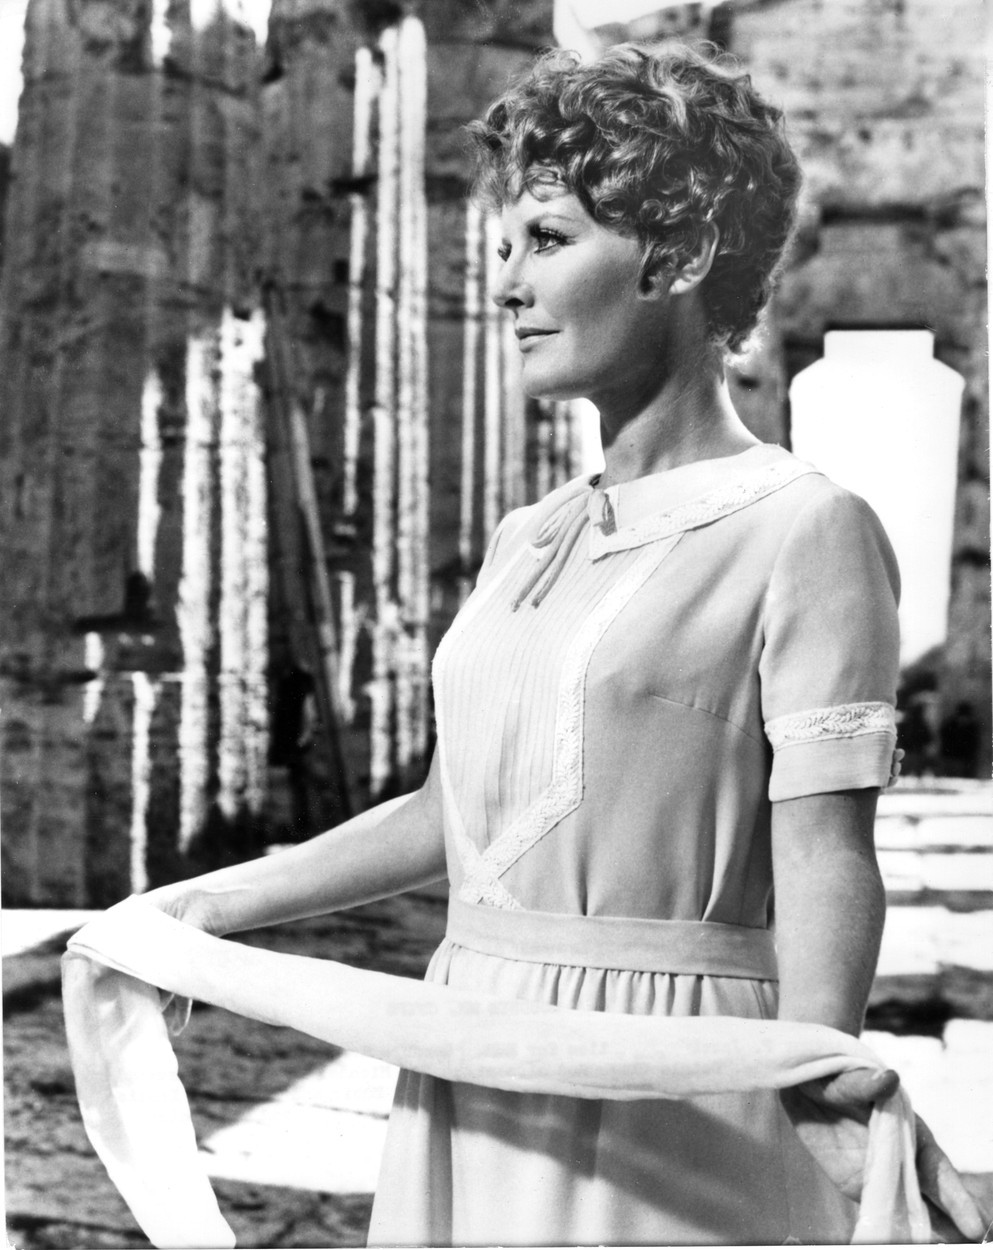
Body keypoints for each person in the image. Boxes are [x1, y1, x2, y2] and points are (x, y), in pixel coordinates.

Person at [133, 41, 985, 1246]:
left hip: (675, 1078)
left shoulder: (808, 526)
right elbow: (453, 812)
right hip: (473, 1038)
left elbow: (825, 850)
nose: (508, 283)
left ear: (677, 256)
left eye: (547, 238)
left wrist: (820, 1064)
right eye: (505, 245)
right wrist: (209, 902)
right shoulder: (527, 535)